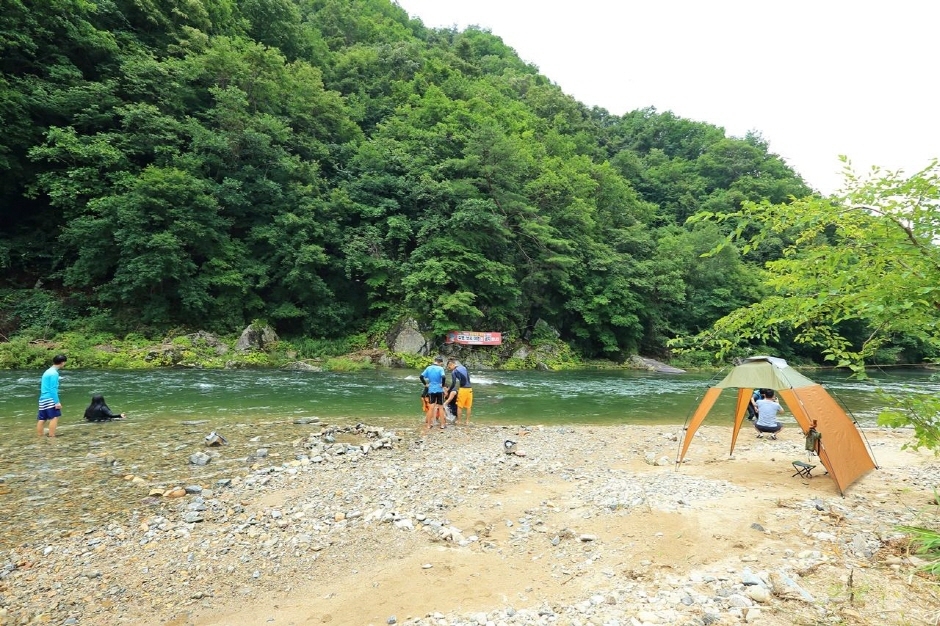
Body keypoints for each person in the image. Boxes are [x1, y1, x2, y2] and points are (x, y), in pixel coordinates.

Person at [37, 354, 67, 437]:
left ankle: (40, 436)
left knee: (42, 419)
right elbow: (53, 389)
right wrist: (57, 402)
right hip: (50, 399)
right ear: (62, 362)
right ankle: (52, 436)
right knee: (54, 417)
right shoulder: (54, 373)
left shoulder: (47, 371)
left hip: (42, 398)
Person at [419, 356, 447, 429]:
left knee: (431, 407)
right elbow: (443, 377)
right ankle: (442, 425)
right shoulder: (440, 368)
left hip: (431, 389)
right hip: (439, 389)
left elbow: (421, 376)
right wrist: (443, 385)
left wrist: (425, 384)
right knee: (440, 407)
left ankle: (429, 425)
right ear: (440, 362)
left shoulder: (428, 368)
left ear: (435, 361)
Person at [445, 358, 473, 425]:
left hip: (463, 389)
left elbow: (453, 383)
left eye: (449, 367)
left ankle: (459, 421)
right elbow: (468, 378)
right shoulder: (463, 367)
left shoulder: (454, 372)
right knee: (468, 406)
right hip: (470, 389)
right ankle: (467, 421)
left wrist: (449, 390)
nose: (449, 369)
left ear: (452, 364)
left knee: (459, 406)